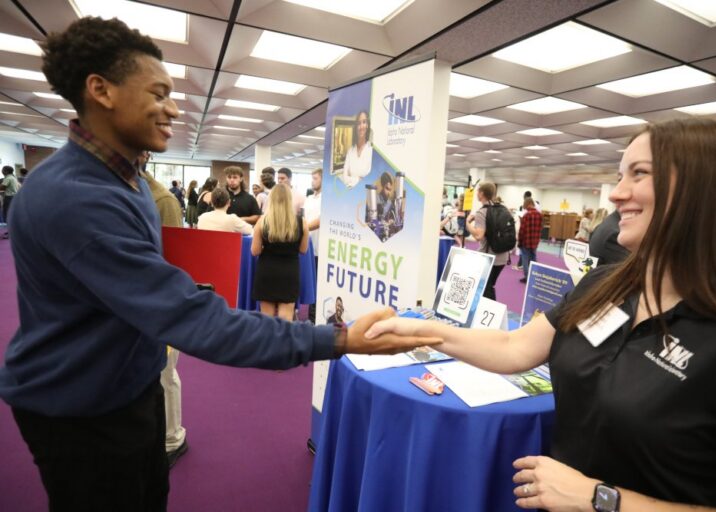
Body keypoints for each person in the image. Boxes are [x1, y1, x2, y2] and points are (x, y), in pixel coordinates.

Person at [0, 17, 438, 511]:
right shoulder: (74, 196)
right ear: (101, 90)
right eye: (159, 92)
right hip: (79, 406)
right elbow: (191, 319)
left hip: (129, 385)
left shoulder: (128, 181)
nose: (172, 108)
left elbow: (137, 287)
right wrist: (338, 338)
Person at [366, 118, 716, 511]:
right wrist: (416, 331)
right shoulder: (607, 284)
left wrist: (599, 499)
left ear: (704, 190)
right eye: (619, 175)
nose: (615, 194)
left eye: (639, 174)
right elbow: (514, 347)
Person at [137, 151, 188, 469]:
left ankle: (172, 438)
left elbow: (176, 264)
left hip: (159, 309)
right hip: (120, 310)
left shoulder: (162, 200)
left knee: (164, 374)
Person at [251, 183, 308, 321]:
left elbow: (255, 251)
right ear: (290, 200)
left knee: (267, 320)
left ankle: (267, 343)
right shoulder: (302, 222)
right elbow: (303, 250)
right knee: (286, 321)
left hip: (267, 272)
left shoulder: (262, 221)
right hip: (289, 273)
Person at [466, 181, 509, 300]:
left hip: (488, 256)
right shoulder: (502, 209)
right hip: (503, 256)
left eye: (478, 191)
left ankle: (491, 313)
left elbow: (478, 236)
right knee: (489, 286)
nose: (476, 194)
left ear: (482, 194)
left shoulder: (481, 212)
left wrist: (468, 223)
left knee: (486, 288)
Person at [304, 168, 322, 323]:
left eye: (315, 178)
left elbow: (320, 221)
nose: (312, 181)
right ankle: (310, 317)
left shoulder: (326, 198)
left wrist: (301, 229)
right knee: (309, 283)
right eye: (312, 178)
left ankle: (314, 318)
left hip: (320, 248)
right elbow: (305, 220)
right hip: (307, 246)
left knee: (317, 285)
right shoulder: (309, 198)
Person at [341, 110, 373, 187]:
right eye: (359, 123)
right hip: (350, 193)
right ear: (356, 127)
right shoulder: (350, 151)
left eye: (364, 122)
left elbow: (369, 180)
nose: (361, 126)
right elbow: (345, 178)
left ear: (368, 125)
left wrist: (351, 177)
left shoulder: (371, 150)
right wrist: (359, 179)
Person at [518, 197, 543, 283]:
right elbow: (540, 229)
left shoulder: (526, 215)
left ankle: (527, 278)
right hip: (535, 242)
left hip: (526, 242)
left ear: (527, 204)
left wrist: (519, 242)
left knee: (525, 260)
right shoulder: (540, 215)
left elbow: (522, 230)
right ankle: (535, 276)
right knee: (534, 259)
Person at [0, 165, 20, 239]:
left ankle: (11, 233)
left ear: (6, 171)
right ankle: (12, 231)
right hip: (14, 197)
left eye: (2, 170)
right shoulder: (13, 177)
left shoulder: (8, 178)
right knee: (12, 214)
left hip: (9, 198)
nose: (2, 171)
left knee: (8, 215)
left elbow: (2, 187)